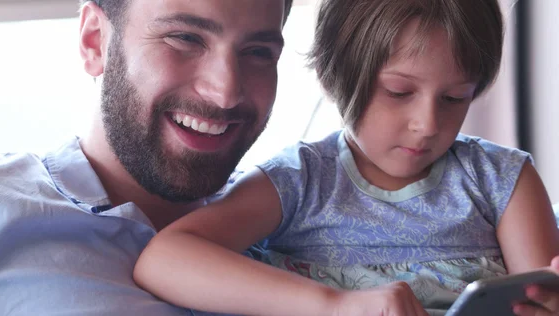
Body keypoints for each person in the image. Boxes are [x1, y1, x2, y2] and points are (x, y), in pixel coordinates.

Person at [133, 0, 559, 315]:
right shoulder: (300, 181)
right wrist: (336, 305)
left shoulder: (502, 179)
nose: (427, 124)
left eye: (454, 98)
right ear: (335, 77)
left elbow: (539, 294)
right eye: (399, 92)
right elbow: (164, 260)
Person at [0, 0, 293, 315]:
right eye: (185, 38)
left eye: (259, 52)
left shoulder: (303, 225)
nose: (225, 93)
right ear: (95, 40)